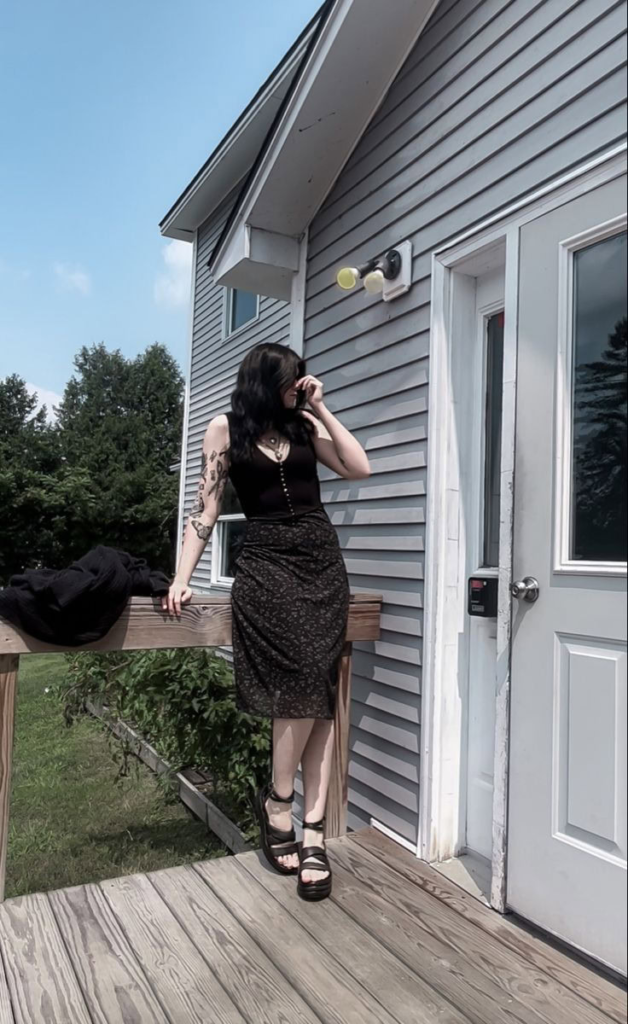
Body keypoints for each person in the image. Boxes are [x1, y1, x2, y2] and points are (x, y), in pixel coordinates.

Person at [163, 342, 370, 901]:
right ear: (263, 380)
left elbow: (359, 466)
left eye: (301, 380)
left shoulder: (303, 426)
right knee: (301, 684)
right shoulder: (224, 429)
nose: (297, 387)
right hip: (267, 566)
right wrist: (182, 577)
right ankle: (280, 800)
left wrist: (321, 409)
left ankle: (311, 833)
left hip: (322, 564)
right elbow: (205, 511)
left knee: (319, 694)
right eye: (290, 381)